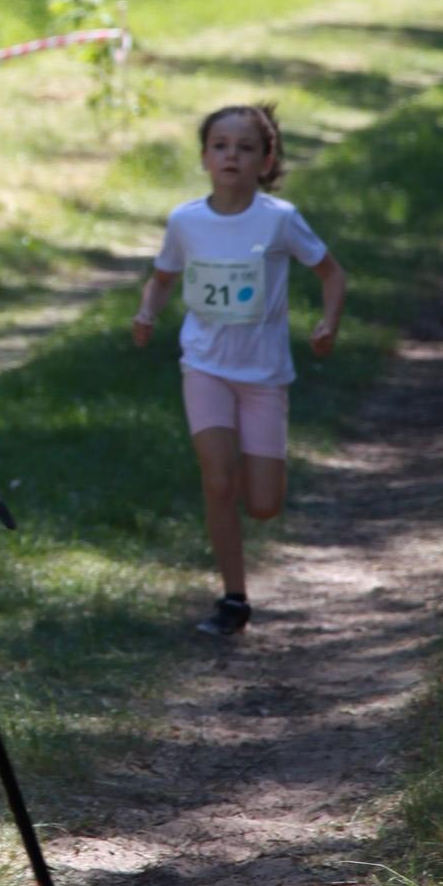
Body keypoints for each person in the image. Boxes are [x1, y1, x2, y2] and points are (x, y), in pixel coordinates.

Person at [131, 100, 345, 636]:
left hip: (264, 376)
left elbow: (331, 273)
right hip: (204, 366)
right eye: (220, 146)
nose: (231, 156)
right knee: (218, 481)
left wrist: (328, 324)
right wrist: (147, 312)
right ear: (205, 157)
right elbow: (163, 278)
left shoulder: (279, 219)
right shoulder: (186, 221)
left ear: (266, 161)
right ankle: (233, 598)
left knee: (265, 505)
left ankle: (255, 470)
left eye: (245, 148)